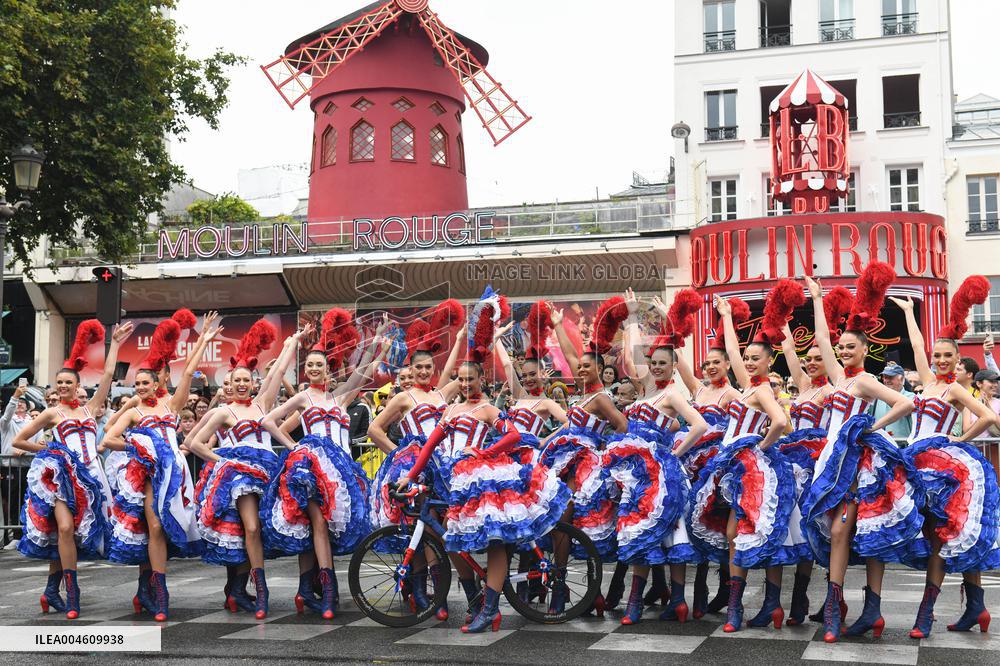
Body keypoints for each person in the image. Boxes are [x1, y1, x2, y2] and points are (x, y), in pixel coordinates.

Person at [399, 288, 569, 634]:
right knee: (454, 540)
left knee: (494, 542)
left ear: (480, 379)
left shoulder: (488, 408)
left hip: (488, 478)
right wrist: (409, 476)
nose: (464, 384)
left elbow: (511, 436)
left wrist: (482, 453)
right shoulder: (451, 408)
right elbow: (431, 445)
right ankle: (478, 600)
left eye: (470, 379)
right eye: (460, 380)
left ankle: (489, 609)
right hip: (456, 479)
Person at [801, 265, 920, 644]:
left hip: (857, 465)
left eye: (851, 347)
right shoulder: (839, 378)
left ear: (866, 350)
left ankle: (862, 610)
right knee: (840, 533)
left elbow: (904, 404)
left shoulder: (866, 380)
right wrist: (818, 301)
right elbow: (821, 338)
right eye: (841, 347)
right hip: (831, 461)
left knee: (854, 532)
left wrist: (870, 427)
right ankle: (843, 610)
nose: (843, 351)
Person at [890, 279, 1000, 639]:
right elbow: (918, 346)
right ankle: (977, 607)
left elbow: (989, 418)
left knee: (943, 536)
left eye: (946, 356)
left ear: (958, 360)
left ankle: (926, 614)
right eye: (937, 356)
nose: (938, 360)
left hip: (942, 467)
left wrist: (959, 439)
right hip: (917, 463)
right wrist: (908, 313)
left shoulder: (954, 388)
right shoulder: (927, 381)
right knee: (952, 536)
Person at [262, 313, 387, 620]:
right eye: (310, 365)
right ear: (306, 371)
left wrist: (378, 343)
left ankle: (308, 589)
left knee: (326, 526)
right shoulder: (304, 397)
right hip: (313, 467)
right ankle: (329, 591)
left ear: (329, 369)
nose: (315, 368)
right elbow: (268, 420)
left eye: (320, 364)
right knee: (317, 523)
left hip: (341, 469)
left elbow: (363, 371)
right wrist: (296, 447)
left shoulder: (341, 399)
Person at [689, 286, 796, 633]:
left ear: (769, 361)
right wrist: (724, 317)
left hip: (754, 466)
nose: (748, 361)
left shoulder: (762, 389)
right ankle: (764, 607)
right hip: (737, 465)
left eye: (755, 358)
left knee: (748, 531)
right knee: (748, 532)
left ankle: (747, 608)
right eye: (747, 358)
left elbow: (780, 422)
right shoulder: (748, 386)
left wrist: (758, 448)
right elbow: (731, 350)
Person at [102, 310, 220, 622]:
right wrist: (137, 444)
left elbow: (189, 370)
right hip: (149, 473)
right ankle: (160, 594)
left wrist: (204, 338)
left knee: (164, 529)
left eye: (145, 382)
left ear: (157, 384)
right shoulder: (133, 411)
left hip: (175, 473)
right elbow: (108, 438)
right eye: (137, 383)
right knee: (153, 526)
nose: (140, 387)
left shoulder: (172, 404)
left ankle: (146, 588)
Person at [13, 319, 133, 619]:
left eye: (69, 382)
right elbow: (19, 440)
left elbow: (107, 374)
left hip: (91, 477)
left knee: (73, 535)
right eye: (60, 383)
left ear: (78, 386)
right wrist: (50, 451)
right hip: (64, 478)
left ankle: (52, 589)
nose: (64, 386)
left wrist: (115, 342)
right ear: (56, 387)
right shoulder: (52, 413)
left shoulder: (91, 408)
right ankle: (73, 593)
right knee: (65, 529)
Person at [187, 320, 304, 619]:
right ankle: (261, 590)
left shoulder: (264, 404)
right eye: (236, 380)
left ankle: (237, 590)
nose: (242, 384)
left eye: (246, 380)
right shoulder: (223, 411)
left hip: (269, 473)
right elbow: (192, 442)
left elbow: (278, 371)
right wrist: (225, 461)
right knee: (250, 528)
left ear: (252, 382)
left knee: (250, 532)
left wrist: (293, 341)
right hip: (240, 479)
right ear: (229, 383)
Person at [611, 288, 708, 626]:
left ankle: (676, 600)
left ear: (673, 365)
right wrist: (633, 317)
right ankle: (638, 602)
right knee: (641, 532)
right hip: (640, 478)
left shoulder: (672, 396)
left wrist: (672, 452)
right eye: (653, 363)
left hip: (665, 475)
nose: (656, 367)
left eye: (663, 363)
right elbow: (628, 358)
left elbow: (699, 425)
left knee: (673, 532)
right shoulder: (642, 392)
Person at [2, 385, 41, 544]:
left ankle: (26, 535)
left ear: (28, 407)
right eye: (18, 402)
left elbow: (40, 443)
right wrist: (15, 396)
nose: (20, 404)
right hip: (10, 467)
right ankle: (14, 536)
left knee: (28, 502)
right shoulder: (7, 423)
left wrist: (26, 450)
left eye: (23, 402)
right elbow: (7, 415)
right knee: (9, 502)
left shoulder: (34, 423)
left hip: (29, 467)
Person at [870, 364, 915, 442]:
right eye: (884, 377)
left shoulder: (911, 397)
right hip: (878, 447)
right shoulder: (877, 399)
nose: (886, 380)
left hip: (902, 447)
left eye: (890, 377)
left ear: (902, 379)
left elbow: (906, 409)